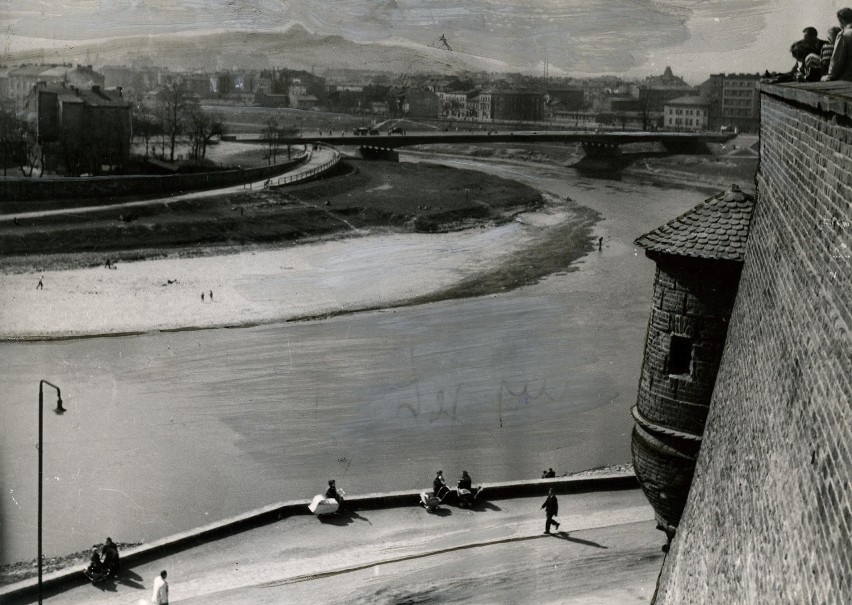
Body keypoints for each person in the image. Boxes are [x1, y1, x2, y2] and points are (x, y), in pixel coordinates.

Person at [824, 8, 852, 81]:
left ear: (841, 20)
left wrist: (830, 76)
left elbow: (837, 60)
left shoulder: (844, 35)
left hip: (847, 79)